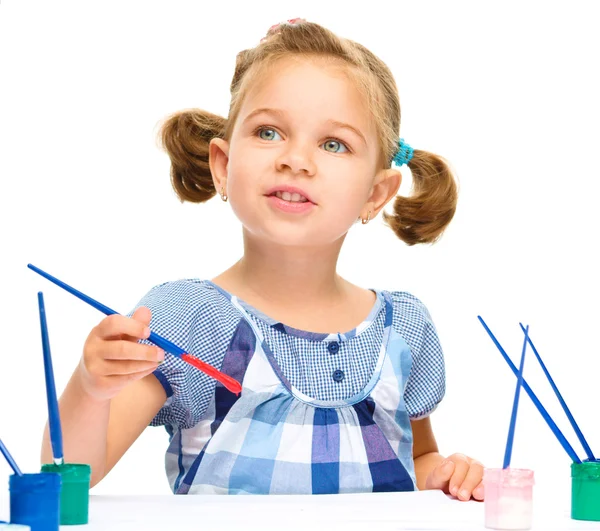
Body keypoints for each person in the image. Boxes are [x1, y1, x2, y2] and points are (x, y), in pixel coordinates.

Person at [42, 18, 484, 500]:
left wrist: (442, 473)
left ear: (376, 193)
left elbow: (415, 461)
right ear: (224, 166)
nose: (295, 159)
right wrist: (90, 388)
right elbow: (71, 473)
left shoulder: (403, 328)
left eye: (334, 144)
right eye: (269, 132)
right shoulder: (190, 319)